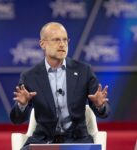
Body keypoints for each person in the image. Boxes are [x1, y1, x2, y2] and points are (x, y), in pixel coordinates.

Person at [10, 22, 110, 150]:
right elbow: (16, 120)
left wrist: (100, 105)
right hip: (43, 141)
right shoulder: (30, 76)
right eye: (56, 40)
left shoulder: (84, 71)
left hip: (77, 141)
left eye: (65, 40)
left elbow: (104, 113)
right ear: (42, 44)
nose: (62, 44)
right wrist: (22, 105)